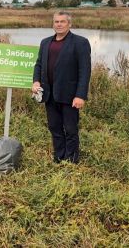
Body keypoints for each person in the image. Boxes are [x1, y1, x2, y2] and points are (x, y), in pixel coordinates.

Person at [32, 11, 91, 163]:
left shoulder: (80, 43)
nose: (59, 24)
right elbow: (38, 64)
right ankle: (59, 157)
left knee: (71, 129)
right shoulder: (45, 42)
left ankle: (71, 160)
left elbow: (84, 71)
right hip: (49, 94)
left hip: (70, 95)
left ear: (69, 24)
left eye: (62, 22)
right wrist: (36, 81)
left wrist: (80, 95)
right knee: (54, 127)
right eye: (56, 22)